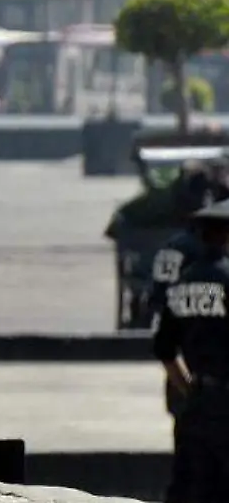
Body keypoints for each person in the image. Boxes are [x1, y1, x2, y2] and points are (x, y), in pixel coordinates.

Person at [154, 199, 229, 501]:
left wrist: (189, 390)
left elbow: (164, 349)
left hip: (197, 404)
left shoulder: (182, 283)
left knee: (193, 487)